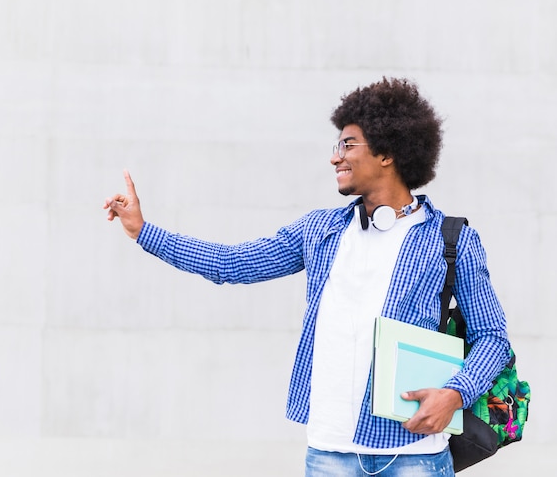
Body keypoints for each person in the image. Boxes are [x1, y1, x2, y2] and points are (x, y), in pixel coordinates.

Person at [103, 77, 510, 476]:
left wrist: (455, 395)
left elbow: (492, 337)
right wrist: (143, 231)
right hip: (329, 455)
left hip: (415, 457)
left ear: (388, 153)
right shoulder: (319, 231)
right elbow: (232, 263)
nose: (335, 157)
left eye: (348, 144)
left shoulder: (452, 239)